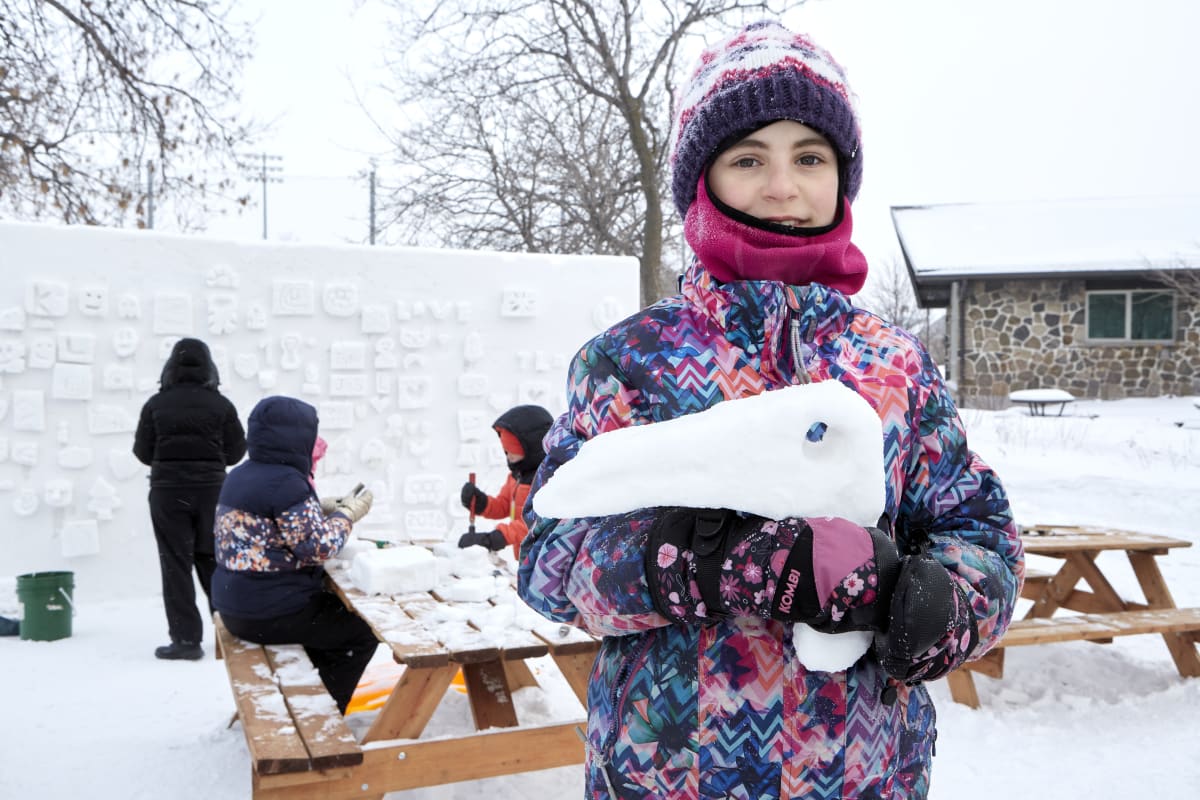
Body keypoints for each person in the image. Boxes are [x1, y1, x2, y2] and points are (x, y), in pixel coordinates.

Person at [517, 21, 1025, 799]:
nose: (783, 186)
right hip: (665, 777)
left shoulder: (895, 366)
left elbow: (978, 529)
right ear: (704, 177)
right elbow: (547, 557)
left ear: (841, 177)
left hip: (864, 775)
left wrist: (932, 603)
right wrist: (696, 565)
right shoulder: (632, 360)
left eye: (809, 157)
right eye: (750, 158)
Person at [210, 395, 377, 715]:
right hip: (271, 612)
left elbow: (272, 530)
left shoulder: (241, 474)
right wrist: (346, 515)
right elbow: (319, 548)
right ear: (298, 437)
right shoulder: (286, 482)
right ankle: (320, 714)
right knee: (362, 630)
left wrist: (319, 508)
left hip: (234, 605)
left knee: (332, 619)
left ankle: (306, 695)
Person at [133, 337, 246, 661]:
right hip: (212, 493)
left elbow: (143, 452)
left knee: (175, 564)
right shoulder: (221, 405)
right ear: (209, 367)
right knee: (213, 561)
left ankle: (186, 641)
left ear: (170, 367)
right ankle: (230, 634)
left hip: (168, 494)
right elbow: (238, 451)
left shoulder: (156, 405)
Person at [457, 404, 553, 559]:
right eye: (506, 451)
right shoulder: (518, 475)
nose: (508, 457)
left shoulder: (547, 480)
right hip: (525, 558)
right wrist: (482, 503)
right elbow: (504, 505)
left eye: (513, 452)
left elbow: (535, 524)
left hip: (546, 559)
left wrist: (494, 539)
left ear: (532, 448)